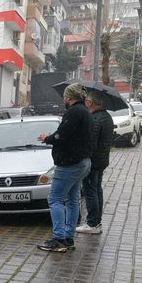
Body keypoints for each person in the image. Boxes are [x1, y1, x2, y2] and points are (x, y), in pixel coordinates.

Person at [36, 84, 94, 252]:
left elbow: (62, 134)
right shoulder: (86, 112)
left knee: (54, 199)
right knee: (72, 200)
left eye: (64, 96)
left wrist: (47, 138)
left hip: (69, 163)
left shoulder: (74, 112)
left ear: (69, 97)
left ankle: (59, 239)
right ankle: (69, 238)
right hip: (83, 161)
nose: (63, 99)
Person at [76, 91, 114, 234]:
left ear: (91, 103)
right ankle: (97, 222)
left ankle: (92, 223)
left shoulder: (95, 119)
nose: (85, 102)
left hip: (93, 162)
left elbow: (90, 142)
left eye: (86, 100)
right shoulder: (107, 116)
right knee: (97, 190)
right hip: (102, 160)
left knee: (90, 191)